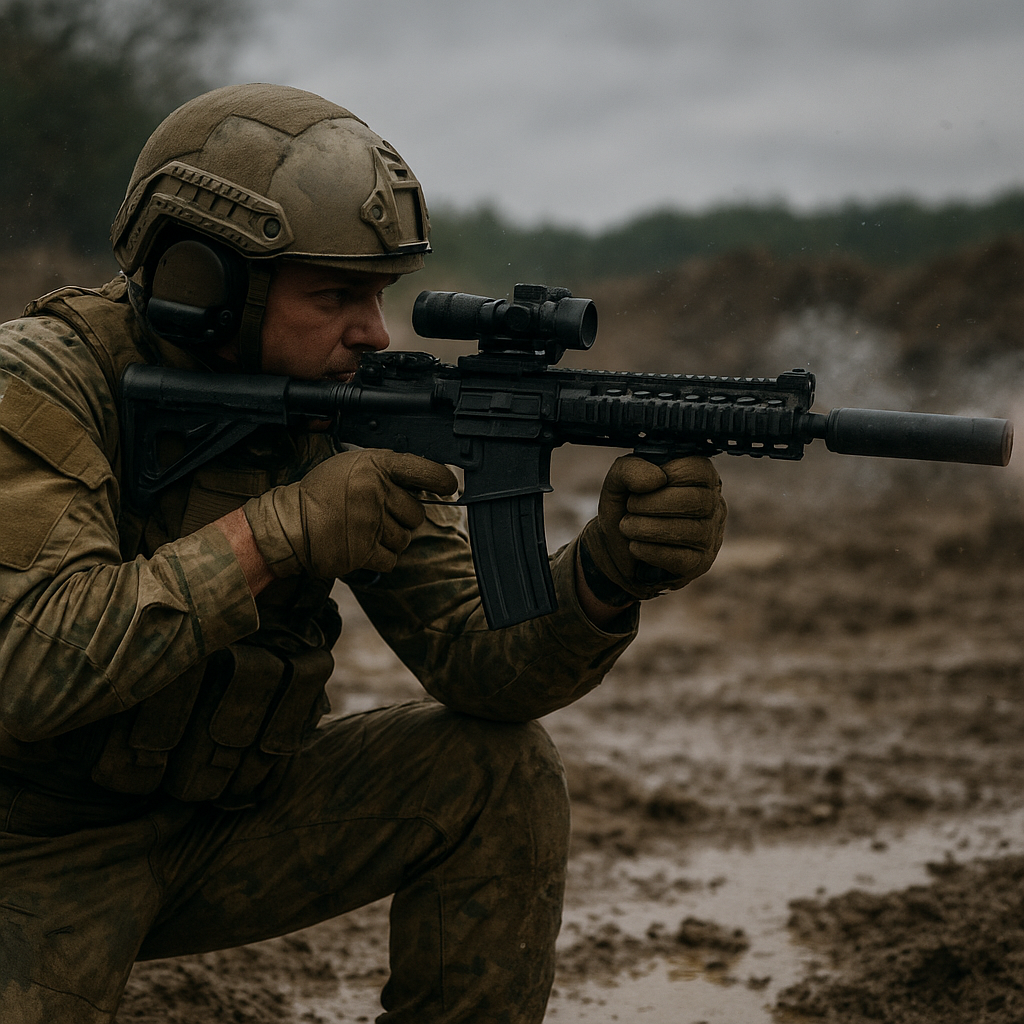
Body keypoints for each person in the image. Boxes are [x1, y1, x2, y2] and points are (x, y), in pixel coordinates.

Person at [0, 84, 727, 1023]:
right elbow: (26, 667)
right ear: (204, 283)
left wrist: (604, 575)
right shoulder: (38, 384)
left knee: (495, 769)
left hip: (216, 830)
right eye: (336, 295)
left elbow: (479, 662)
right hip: (26, 854)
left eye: (378, 295)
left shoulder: (334, 401)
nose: (373, 333)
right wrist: (278, 533)